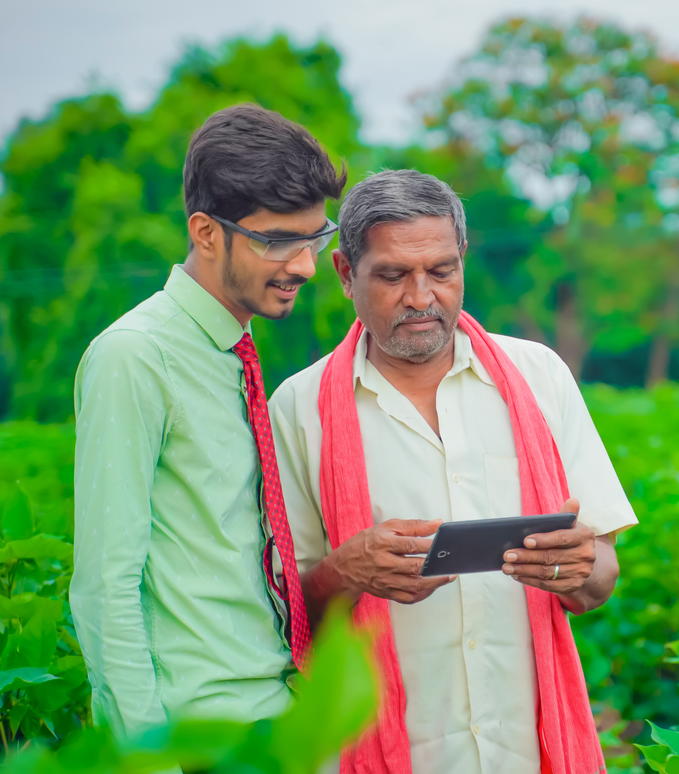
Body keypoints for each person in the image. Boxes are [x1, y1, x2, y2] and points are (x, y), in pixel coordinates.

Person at [269, 169, 638, 774]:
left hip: (525, 751)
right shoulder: (298, 410)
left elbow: (599, 579)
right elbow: (285, 617)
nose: (420, 297)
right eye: (392, 275)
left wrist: (579, 568)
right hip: (380, 751)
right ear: (343, 273)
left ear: (462, 260)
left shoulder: (537, 377)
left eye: (441, 271)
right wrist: (345, 570)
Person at [69, 103, 345, 737]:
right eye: (278, 241)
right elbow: (106, 589)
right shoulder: (135, 357)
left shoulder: (232, 357)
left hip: (273, 721)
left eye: (314, 237)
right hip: (196, 737)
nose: (304, 266)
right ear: (207, 233)